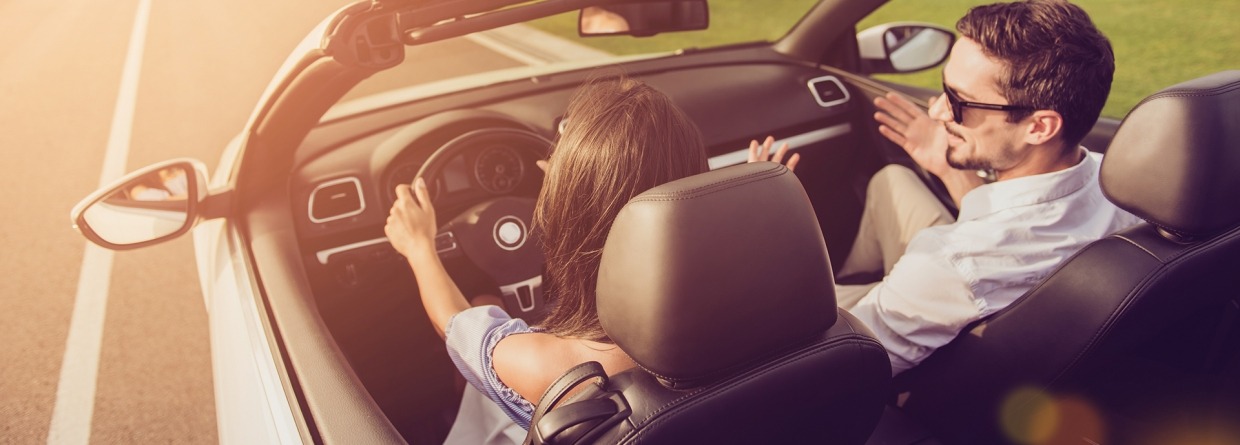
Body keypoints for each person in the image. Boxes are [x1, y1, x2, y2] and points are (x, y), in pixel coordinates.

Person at [384, 76, 710, 437]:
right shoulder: (744, 311)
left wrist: (418, 247)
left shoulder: (554, 367)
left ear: (568, 214)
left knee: (479, 392)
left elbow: (454, 326)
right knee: (485, 304)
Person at [829, 0, 1141, 375]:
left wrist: (763, 223)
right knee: (891, 180)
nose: (938, 112)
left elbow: (844, 364)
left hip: (904, 353)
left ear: (1039, 127)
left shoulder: (952, 262)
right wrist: (951, 170)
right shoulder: (1122, 187)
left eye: (960, 102)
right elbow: (1014, 229)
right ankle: (853, 276)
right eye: (944, 89)